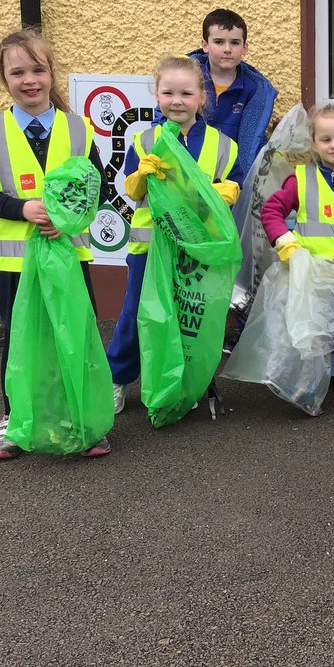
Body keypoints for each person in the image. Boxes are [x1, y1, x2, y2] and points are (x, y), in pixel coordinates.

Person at [0, 28, 113, 460]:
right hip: (17, 265)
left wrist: (68, 222)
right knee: (18, 341)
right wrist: (22, 210)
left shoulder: (77, 129)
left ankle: (85, 421)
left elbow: (98, 189)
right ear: (4, 79)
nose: (29, 80)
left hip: (69, 256)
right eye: (18, 72)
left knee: (76, 335)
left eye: (37, 69)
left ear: (51, 74)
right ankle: (14, 422)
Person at [106, 55, 243, 414]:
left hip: (198, 251)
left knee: (188, 319)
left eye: (185, 93)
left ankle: (181, 383)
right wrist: (139, 176)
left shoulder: (223, 145)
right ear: (157, 95)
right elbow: (132, 191)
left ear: (202, 97)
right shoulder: (144, 141)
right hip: (149, 247)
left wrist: (230, 190)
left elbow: (236, 182)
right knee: (138, 314)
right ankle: (116, 379)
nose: (176, 100)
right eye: (168, 92)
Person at [260, 103, 334, 362]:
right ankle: (318, 334)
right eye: (325, 139)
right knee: (301, 297)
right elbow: (271, 211)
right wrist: (287, 245)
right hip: (308, 266)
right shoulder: (301, 177)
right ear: (313, 143)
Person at [177, 8, 277, 181]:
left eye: (235, 43)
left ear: (245, 48)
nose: (227, 49)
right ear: (205, 45)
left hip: (230, 178)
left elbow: (252, 145)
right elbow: (163, 120)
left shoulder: (254, 90)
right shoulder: (184, 77)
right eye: (219, 42)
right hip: (186, 171)